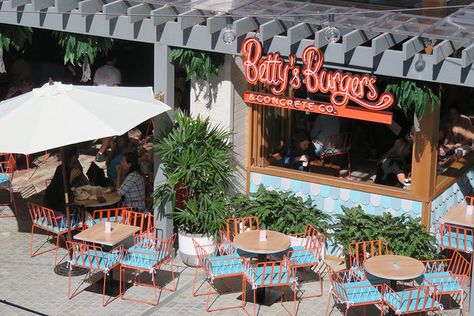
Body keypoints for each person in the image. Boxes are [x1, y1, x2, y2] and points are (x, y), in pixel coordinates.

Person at [43, 146, 88, 226]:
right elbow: (67, 197)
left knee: (82, 210)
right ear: (74, 156)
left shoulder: (63, 167)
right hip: (57, 217)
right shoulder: (63, 170)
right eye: (78, 154)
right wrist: (71, 180)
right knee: (83, 214)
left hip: (53, 210)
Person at [93, 55, 122, 162]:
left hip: (98, 102)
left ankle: (110, 148)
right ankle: (100, 152)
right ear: (114, 59)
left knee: (103, 128)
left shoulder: (98, 70)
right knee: (111, 129)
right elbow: (116, 89)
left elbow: (95, 85)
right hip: (110, 103)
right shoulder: (116, 72)